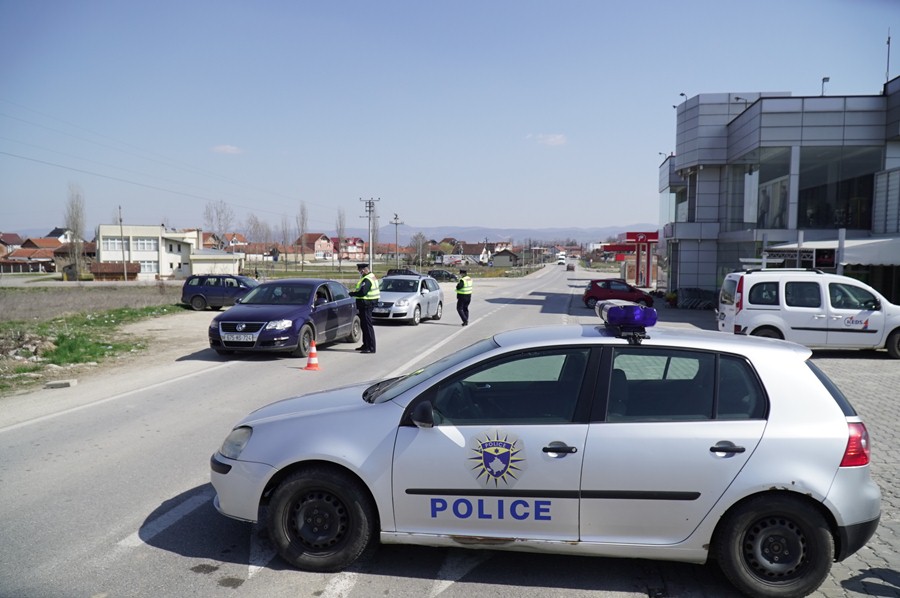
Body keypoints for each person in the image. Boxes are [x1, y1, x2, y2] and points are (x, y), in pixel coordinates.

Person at [349, 263, 379, 353]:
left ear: (363, 270)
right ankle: (365, 344)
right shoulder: (371, 276)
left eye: (360, 271)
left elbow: (363, 292)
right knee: (364, 325)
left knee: (367, 326)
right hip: (366, 304)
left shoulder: (367, 279)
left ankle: (371, 347)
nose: (359, 272)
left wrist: (352, 294)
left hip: (367, 304)